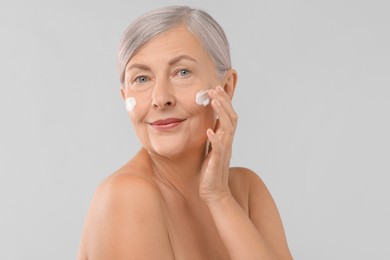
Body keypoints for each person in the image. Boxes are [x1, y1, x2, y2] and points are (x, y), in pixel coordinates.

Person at [77, 5, 293, 260]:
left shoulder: (246, 190)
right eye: (142, 79)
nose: (160, 99)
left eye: (182, 72)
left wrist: (219, 198)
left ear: (226, 86)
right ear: (125, 95)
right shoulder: (126, 196)